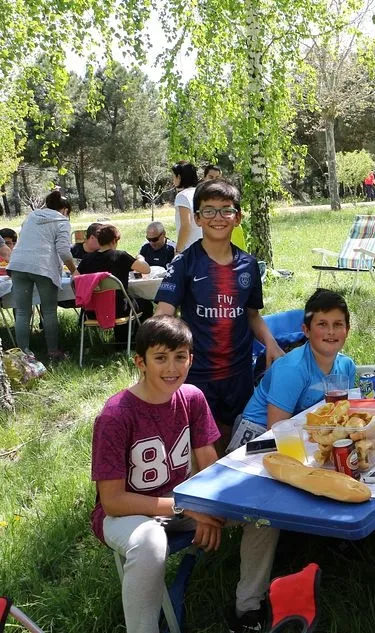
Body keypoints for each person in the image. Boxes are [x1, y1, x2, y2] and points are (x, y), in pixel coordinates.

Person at [90, 315, 279, 633]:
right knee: (150, 543)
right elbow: (113, 501)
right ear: (141, 362)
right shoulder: (115, 415)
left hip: (185, 501)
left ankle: (248, 608)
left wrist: (211, 508)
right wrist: (187, 506)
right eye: (160, 358)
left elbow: (208, 467)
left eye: (180, 357)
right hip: (129, 514)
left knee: (264, 511)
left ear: (191, 359)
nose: (172, 368)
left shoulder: (191, 397)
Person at [155, 179, 283, 453]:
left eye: (226, 210)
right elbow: (164, 314)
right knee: (205, 449)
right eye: (209, 210)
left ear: (237, 217)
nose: (218, 217)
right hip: (198, 375)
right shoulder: (184, 264)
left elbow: (252, 315)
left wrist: (271, 344)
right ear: (197, 218)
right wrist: (161, 358)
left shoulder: (248, 265)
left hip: (240, 374)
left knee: (237, 445)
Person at [230, 289, 357, 451]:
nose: (331, 332)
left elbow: (340, 417)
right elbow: (275, 431)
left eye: (338, 324)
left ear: (348, 329)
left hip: (301, 429)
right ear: (306, 330)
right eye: (322, 324)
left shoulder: (347, 366)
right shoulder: (293, 369)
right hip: (259, 433)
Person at [6, 190, 77, 359]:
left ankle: (24, 355)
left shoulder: (31, 217)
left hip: (18, 264)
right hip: (43, 267)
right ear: (65, 210)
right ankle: (53, 351)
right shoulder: (62, 221)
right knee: (49, 311)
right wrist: (75, 270)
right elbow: (64, 251)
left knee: (22, 311)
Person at [78, 224, 153, 327]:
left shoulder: (86, 259)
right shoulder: (120, 256)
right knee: (146, 305)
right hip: (118, 309)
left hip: (91, 311)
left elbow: (74, 279)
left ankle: (122, 340)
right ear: (114, 241)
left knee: (124, 302)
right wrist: (141, 259)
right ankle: (138, 339)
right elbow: (146, 269)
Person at [171, 161, 201, 254]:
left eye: (173, 176)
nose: (172, 179)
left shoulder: (182, 196)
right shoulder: (200, 193)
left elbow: (185, 226)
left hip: (190, 250)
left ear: (179, 177)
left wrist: (178, 250)